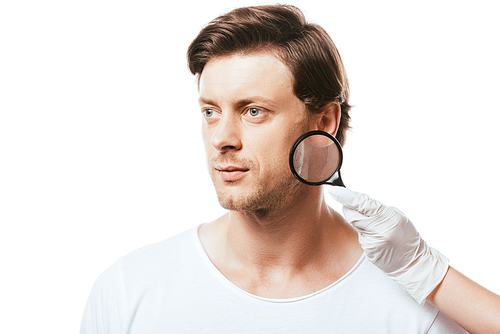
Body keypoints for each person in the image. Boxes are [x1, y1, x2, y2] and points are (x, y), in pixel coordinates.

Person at [80, 4, 499, 333]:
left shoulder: (415, 310)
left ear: (325, 122)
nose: (221, 137)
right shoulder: (127, 292)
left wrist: (430, 273)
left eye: (254, 111)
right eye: (210, 111)